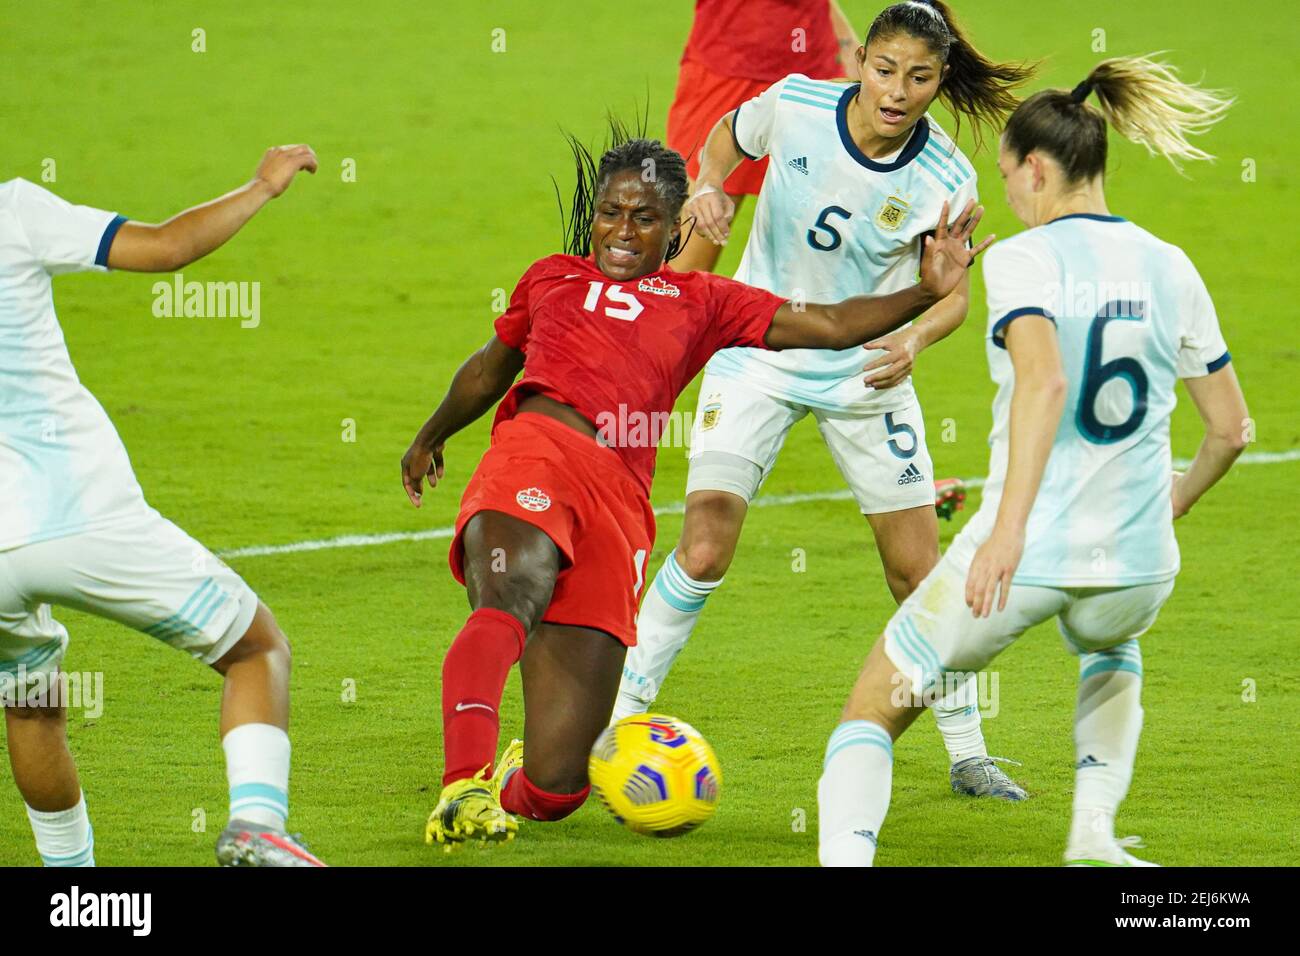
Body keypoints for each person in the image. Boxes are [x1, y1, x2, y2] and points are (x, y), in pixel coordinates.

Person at [400, 127, 992, 847]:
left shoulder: (704, 300)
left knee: (560, 787)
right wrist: (433, 432)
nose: (622, 231)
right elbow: (493, 367)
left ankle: (504, 787)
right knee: (510, 596)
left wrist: (925, 291)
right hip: (536, 453)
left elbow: (831, 325)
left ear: (676, 225)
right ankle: (462, 784)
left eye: (643, 217)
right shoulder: (550, 276)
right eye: (610, 213)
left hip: (619, 504)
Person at [816, 55, 1242, 866]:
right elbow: (1230, 429)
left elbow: (1045, 381)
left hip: (1027, 553)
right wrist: (1172, 503)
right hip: (1140, 565)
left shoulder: (1023, 259)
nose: (1005, 194)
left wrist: (1007, 534)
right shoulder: (1170, 264)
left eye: (1008, 175)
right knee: (1111, 649)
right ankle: (1093, 835)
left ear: (1037, 169)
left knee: (873, 709)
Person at [615, 0, 1035, 801]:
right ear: (860, 61)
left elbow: (949, 293)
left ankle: (969, 753)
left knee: (916, 572)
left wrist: (915, 339)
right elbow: (727, 138)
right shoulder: (798, 105)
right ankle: (617, 719)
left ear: (939, 80)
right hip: (759, 348)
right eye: (884, 70)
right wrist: (705, 185)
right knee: (704, 545)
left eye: (918, 77)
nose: (897, 91)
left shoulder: (945, 177)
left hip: (862, 373)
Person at [0, 146, 325, 867]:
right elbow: (166, 247)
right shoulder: (14, 211)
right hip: (77, 514)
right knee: (257, 649)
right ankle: (257, 824)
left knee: (28, 700)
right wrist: (260, 187)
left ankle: (73, 891)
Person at [666, 0, 859, 274]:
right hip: (729, 69)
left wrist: (844, 39)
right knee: (687, 255)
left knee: (817, 252)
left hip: (813, 69)